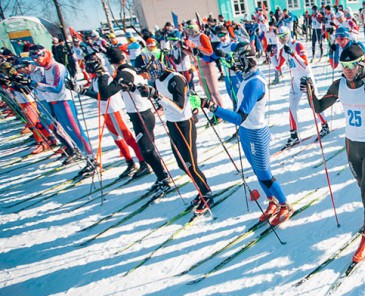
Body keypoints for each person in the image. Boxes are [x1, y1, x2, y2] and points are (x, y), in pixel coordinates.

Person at [301, 44, 365, 262]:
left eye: (351, 65)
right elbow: (318, 107)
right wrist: (309, 91)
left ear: (361, 63)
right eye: (343, 65)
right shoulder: (340, 85)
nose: (347, 70)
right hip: (351, 145)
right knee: (363, 186)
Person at [203, 42, 294, 226]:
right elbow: (237, 71)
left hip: (255, 133)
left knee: (264, 173)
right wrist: (225, 59)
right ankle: (272, 201)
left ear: (247, 60)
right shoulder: (247, 75)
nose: (236, 64)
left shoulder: (255, 83)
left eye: (239, 60)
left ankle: (285, 204)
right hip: (246, 133)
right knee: (256, 170)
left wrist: (212, 107)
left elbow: (239, 118)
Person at [138, 67, 215, 214]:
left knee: (191, 164)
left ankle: (206, 192)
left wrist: (157, 96)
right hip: (172, 123)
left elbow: (179, 107)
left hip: (184, 123)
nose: (146, 76)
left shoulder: (175, 79)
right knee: (181, 164)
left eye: (147, 72)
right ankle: (201, 190)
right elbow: (163, 101)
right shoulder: (158, 80)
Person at [68, 54, 146, 178]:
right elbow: (97, 93)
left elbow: (104, 95)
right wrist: (78, 89)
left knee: (127, 136)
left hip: (115, 109)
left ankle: (143, 161)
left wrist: (83, 91)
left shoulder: (104, 77)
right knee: (117, 138)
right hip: (106, 111)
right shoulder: (95, 79)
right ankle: (130, 162)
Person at [107, 46, 171, 195]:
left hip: (142, 114)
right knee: (145, 149)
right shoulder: (126, 70)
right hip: (137, 114)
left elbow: (107, 92)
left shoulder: (125, 72)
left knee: (147, 149)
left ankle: (164, 177)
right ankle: (161, 176)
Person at [29, 45, 97, 177]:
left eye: (38, 56)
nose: (37, 60)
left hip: (64, 103)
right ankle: (87, 159)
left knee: (77, 132)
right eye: (34, 58)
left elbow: (57, 88)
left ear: (46, 54)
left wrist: (37, 85)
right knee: (69, 133)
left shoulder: (57, 67)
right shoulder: (44, 69)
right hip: (54, 103)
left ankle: (93, 159)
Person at [275, 26, 331, 148]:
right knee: (292, 106)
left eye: (283, 36)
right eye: (279, 37)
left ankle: (325, 125)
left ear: (288, 34)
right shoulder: (282, 50)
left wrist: (294, 54)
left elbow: (305, 65)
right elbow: (277, 66)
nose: (282, 39)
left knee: (313, 104)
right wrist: (272, 55)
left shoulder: (298, 45)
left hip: (306, 78)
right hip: (295, 81)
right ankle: (294, 134)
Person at [185, 20, 226, 108]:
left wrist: (196, 46)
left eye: (189, 29)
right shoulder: (190, 38)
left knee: (214, 93)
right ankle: (216, 112)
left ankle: (222, 111)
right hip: (199, 67)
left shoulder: (202, 36)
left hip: (207, 65)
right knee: (208, 94)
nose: (188, 31)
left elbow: (209, 52)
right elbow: (192, 53)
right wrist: (181, 48)